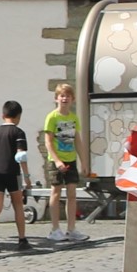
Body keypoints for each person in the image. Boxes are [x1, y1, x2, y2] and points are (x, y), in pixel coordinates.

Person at [0, 101, 31, 251]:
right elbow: (21, 156)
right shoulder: (18, 133)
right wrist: (27, 177)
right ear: (19, 116)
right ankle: (22, 239)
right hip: (12, 173)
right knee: (18, 205)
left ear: (3, 115)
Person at [39, 82, 84, 246]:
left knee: (72, 193)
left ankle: (71, 229)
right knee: (56, 192)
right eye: (62, 96)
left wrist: (84, 161)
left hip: (70, 159)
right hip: (56, 160)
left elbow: (77, 140)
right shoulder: (52, 117)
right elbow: (48, 142)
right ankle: (55, 229)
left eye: (68, 96)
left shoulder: (73, 117)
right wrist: (57, 161)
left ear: (72, 99)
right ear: (56, 98)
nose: (65, 99)